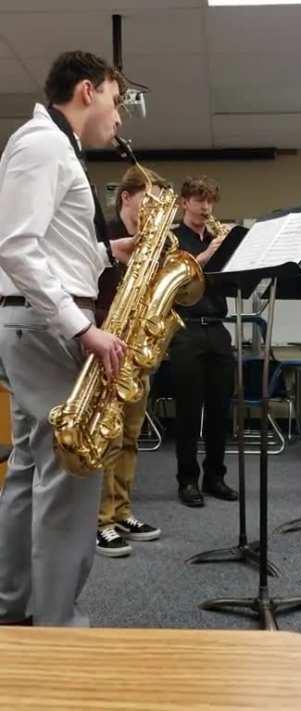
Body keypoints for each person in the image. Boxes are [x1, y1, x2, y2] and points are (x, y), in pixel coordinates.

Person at [0, 50, 138, 626]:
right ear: (87, 90)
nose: (119, 116)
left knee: (30, 470)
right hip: (50, 328)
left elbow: (50, 247)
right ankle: (56, 627)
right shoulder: (42, 144)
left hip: (35, 323)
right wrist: (84, 327)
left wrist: (110, 251)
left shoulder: (54, 146)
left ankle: (14, 610)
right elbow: (15, 246)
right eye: (116, 99)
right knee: (73, 472)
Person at [95, 166, 166, 556]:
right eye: (148, 201)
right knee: (107, 436)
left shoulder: (152, 242)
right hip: (105, 342)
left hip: (135, 349)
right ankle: (100, 520)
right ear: (126, 196)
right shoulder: (100, 233)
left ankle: (122, 511)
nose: (154, 210)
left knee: (130, 438)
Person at [169, 176, 238, 507]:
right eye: (199, 200)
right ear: (184, 203)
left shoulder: (216, 238)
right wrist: (210, 252)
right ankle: (187, 480)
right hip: (187, 329)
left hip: (218, 328)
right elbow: (178, 280)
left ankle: (215, 476)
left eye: (210, 200)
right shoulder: (171, 239)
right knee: (188, 410)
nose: (206, 207)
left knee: (220, 410)